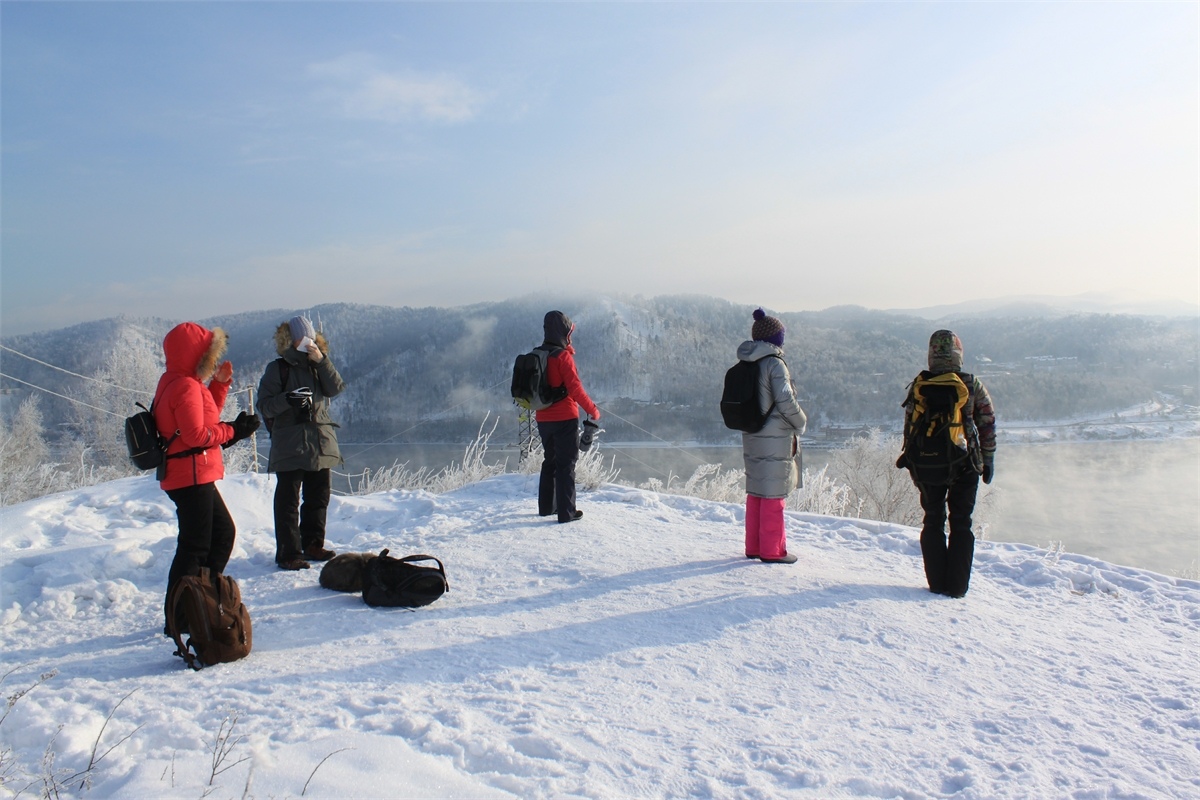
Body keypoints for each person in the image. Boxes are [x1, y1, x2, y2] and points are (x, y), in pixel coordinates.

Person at [153, 322, 260, 634]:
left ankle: (199, 601)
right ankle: (183, 614)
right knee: (196, 545)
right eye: (209, 355)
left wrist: (220, 385)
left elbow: (204, 414)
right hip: (191, 475)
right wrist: (235, 431)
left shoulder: (177, 381)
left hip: (189, 475)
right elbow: (197, 434)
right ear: (198, 355)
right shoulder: (185, 386)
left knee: (218, 535)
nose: (212, 361)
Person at [900, 330, 997, 598]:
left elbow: (910, 426)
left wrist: (912, 462)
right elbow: (987, 424)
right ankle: (957, 588)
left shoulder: (920, 383)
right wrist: (987, 460)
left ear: (931, 355)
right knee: (961, 523)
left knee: (932, 521)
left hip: (928, 466)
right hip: (965, 464)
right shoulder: (970, 384)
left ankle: (936, 584)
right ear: (958, 355)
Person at [256, 316, 347, 570]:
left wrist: (321, 361)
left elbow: (336, 388)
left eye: (310, 338)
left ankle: (313, 544)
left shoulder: (317, 364)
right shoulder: (278, 369)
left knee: (319, 497)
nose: (306, 343)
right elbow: (264, 405)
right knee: (288, 501)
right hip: (291, 443)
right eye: (301, 338)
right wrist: (288, 399)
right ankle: (288, 553)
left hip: (320, 442)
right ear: (290, 340)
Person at [739, 309, 808, 563]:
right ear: (777, 339)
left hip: (752, 431)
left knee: (757, 489)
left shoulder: (747, 361)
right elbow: (785, 400)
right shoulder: (774, 363)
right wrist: (801, 422)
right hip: (775, 434)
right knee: (773, 493)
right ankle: (772, 550)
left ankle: (753, 546)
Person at [535, 310, 601, 523]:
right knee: (566, 465)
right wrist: (593, 410)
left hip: (543, 419)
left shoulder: (538, 354)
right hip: (564, 419)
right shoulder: (563, 357)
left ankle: (546, 508)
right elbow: (575, 389)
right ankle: (567, 512)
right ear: (564, 332)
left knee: (550, 461)